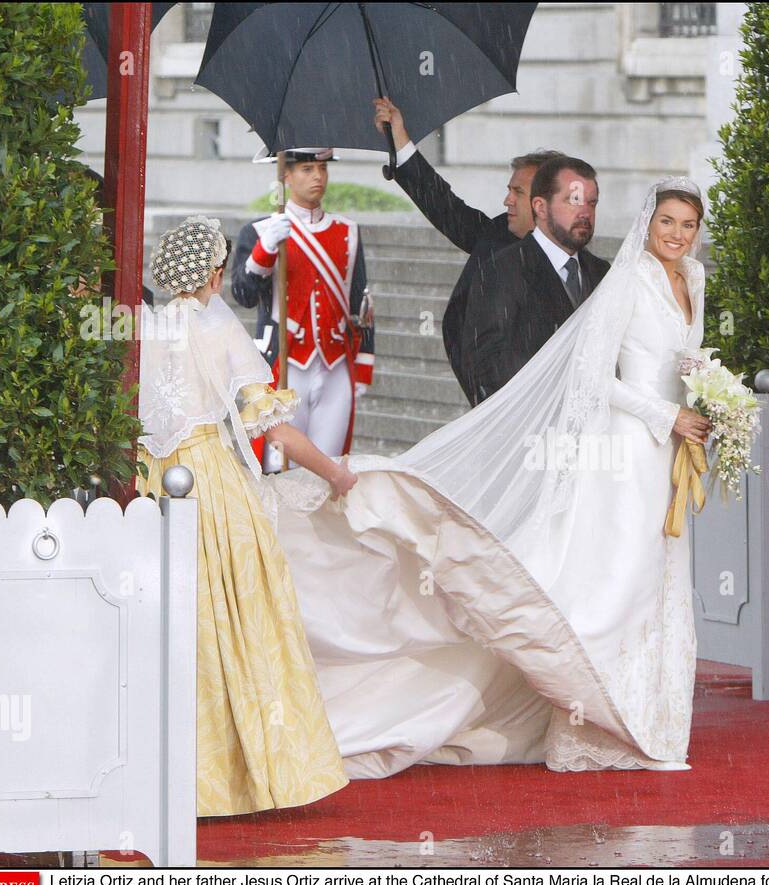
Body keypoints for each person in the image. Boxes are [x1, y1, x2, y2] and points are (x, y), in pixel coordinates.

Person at [265, 178, 712, 775]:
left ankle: (652, 721)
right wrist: (665, 413)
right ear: (647, 225)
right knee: (616, 581)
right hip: (629, 449)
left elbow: (686, 362)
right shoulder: (627, 280)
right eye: (667, 223)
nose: (677, 235)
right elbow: (592, 375)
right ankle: (601, 721)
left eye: (688, 225)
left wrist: (713, 400)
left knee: (661, 580)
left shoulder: (696, 282)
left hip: (674, 456)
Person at [136, 216, 357, 816]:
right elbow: (271, 426)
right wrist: (333, 471)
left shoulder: (140, 328)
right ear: (211, 274)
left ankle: (166, 775)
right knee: (241, 619)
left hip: (145, 488)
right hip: (210, 487)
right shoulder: (214, 325)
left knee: (170, 627)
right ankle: (250, 775)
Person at [372, 96, 563, 403]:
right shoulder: (498, 236)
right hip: (490, 403)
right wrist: (399, 137)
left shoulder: (576, 269)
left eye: (518, 192)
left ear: (545, 203)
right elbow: (446, 208)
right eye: (508, 190)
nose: (507, 200)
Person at [230, 147, 374, 466]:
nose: (318, 177)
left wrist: (363, 366)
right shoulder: (259, 231)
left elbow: (361, 304)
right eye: (307, 169)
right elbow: (243, 294)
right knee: (280, 466)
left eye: (322, 168)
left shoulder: (347, 230)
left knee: (329, 465)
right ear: (286, 174)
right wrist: (265, 250)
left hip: (335, 365)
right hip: (286, 364)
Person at [460, 156, 611, 404]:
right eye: (574, 201)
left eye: (591, 203)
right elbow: (485, 365)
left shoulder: (601, 272)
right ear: (540, 207)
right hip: (527, 429)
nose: (585, 213)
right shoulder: (501, 270)